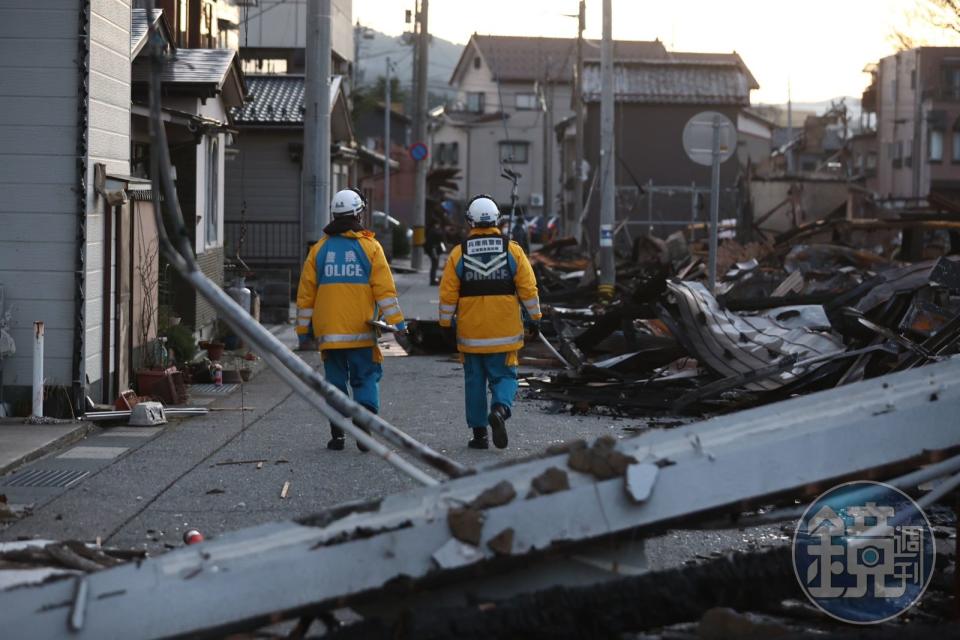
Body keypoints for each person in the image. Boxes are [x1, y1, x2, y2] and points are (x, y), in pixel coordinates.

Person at [295, 188, 406, 451]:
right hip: (361, 332)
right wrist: (398, 323)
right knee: (365, 377)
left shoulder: (319, 250)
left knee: (335, 382)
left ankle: (337, 435)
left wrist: (302, 330)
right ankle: (363, 423)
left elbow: (305, 295)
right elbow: (385, 291)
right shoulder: (370, 247)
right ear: (358, 214)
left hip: (329, 334)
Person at [438, 194, 541, 449]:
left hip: (471, 335)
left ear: (470, 222)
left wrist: (444, 325)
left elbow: (448, 293)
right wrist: (535, 318)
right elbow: (528, 288)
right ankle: (500, 410)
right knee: (505, 376)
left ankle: (479, 435)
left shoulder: (458, 253)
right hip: (505, 333)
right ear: (497, 219)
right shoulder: (512, 250)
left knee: (474, 382)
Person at [425, 218, 444, 286]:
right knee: (434, 265)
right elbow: (438, 240)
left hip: (433, 250)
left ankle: (433, 280)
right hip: (434, 250)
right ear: (436, 224)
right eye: (438, 224)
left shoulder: (431, 231)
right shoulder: (434, 231)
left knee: (434, 265)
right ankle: (433, 280)